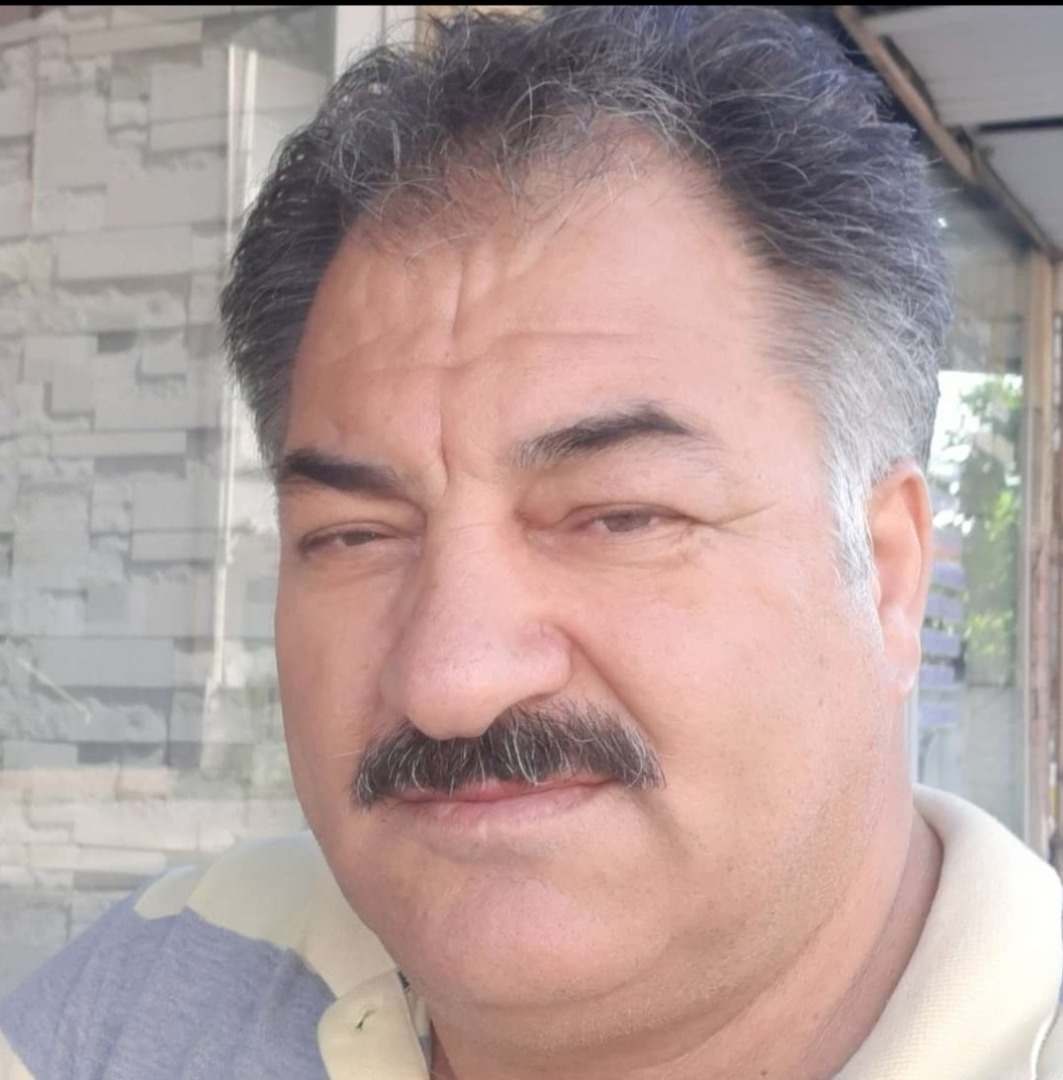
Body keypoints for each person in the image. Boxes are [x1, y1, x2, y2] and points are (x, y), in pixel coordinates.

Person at [2, 6, 1061, 1079]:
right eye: (355, 535)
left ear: (885, 576)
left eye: (619, 515)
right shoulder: (155, 989)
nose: (449, 682)